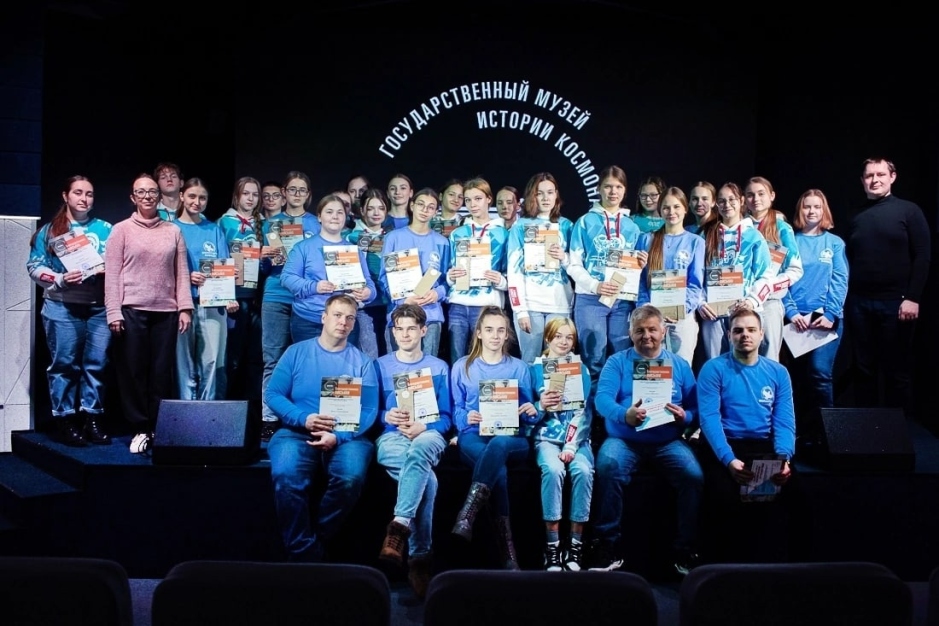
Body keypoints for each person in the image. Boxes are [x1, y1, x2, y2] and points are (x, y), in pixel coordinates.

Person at [265, 294, 379, 562]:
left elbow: (369, 409)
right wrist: (303, 418)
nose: (343, 322)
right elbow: (273, 394)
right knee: (286, 477)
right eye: (337, 315)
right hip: (297, 432)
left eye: (349, 318)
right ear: (324, 317)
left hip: (347, 435)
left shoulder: (363, 362)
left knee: (350, 479)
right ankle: (306, 554)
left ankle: (312, 545)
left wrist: (339, 436)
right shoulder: (296, 352)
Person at [591, 305, 702, 576]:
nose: (647, 336)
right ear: (631, 334)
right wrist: (624, 415)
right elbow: (602, 399)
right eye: (640, 330)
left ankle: (685, 548)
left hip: (667, 441)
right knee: (607, 466)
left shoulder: (679, 365)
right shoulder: (617, 362)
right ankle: (607, 544)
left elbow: (696, 406)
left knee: (693, 476)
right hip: (624, 439)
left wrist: (685, 417)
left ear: (663, 331)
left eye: (652, 329)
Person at [697, 307, 795, 562]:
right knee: (723, 499)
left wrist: (783, 459)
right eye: (738, 330)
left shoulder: (778, 372)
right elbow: (709, 419)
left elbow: (784, 422)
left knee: (793, 501)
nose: (745, 335)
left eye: (751, 330)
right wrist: (729, 460)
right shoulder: (713, 369)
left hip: (764, 446)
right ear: (729, 335)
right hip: (724, 447)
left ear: (762, 334)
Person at [105, 174, 193, 453]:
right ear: (133, 197)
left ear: (159, 196)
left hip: (166, 312)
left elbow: (181, 272)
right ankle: (140, 427)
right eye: (141, 192)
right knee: (133, 372)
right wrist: (113, 312)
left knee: (161, 373)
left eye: (152, 192)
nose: (147, 196)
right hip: (131, 310)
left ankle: (158, 427)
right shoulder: (121, 230)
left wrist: (185, 308)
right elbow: (112, 275)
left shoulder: (173, 231)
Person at [27, 175, 112, 446]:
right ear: (66, 196)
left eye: (89, 194)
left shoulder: (106, 229)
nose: (84, 199)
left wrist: (109, 270)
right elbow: (34, 267)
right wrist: (60, 278)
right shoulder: (50, 230)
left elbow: (121, 263)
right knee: (64, 365)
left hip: (98, 308)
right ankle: (64, 419)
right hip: (61, 306)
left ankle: (92, 417)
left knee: (96, 364)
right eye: (78, 193)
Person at [451, 306, 538, 570]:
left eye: (501, 330)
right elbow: (456, 410)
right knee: (497, 469)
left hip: (511, 438)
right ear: (478, 333)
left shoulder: (519, 368)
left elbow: (530, 414)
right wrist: (466, 417)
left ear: (508, 334)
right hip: (474, 435)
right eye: (489, 330)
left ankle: (468, 513)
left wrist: (531, 411)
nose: (495, 336)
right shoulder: (462, 366)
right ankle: (507, 550)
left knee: (499, 445)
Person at [375, 304, 452, 598]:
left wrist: (425, 425)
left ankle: (399, 526)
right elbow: (369, 412)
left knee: (421, 448)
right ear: (393, 332)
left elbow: (447, 418)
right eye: (399, 329)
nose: (405, 334)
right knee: (427, 480)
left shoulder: (439, 367)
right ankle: (420, 560)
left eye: (411, 329)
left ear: (423, 331)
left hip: (428, 434)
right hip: (392, 437)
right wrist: (386, 416)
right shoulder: (379, 366)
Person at [846, 158, 931, 418]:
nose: (875, 180)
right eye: (869, 176)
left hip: (897, 303)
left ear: (892, 177)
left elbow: (923, 255)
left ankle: (899, 433)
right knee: (863, 370)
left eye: (881, 174)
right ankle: (867, 430)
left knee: (897, 371)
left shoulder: (909, 211)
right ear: (862, 181)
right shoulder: (855, 215)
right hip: (859, 304)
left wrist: (913, 297)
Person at [568, 165, 646, 390]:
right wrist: (596, 285)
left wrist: (641, 263)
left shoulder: (632, 227)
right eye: (608, 186)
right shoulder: (584, 222)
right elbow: (573, 265)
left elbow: (634, 269)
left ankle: (618, 407)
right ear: (598, 189)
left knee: (621, 356)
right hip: (590, 299)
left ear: (625, 190)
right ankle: (593, 410)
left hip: (622, 301)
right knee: (593, 358)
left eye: (618, 187)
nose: (613, 192)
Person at [258, 171, 320, 441]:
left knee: (306, 360)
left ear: (308, 194)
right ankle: (269, 418)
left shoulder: (316, 223)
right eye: (292, 189)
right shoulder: (270, 224)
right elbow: (264, 269)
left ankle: (304, 415)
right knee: (272, 358)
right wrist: (264, 257)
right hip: (276, 296)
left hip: (306, 300)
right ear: (284, 193)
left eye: (301, 190)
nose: (297, 194)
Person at [783, 189, 849, 439]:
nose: (812, 211)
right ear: (800, 210)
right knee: (797, 379)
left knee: (820, 373)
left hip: (825, 320)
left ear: (824, 211)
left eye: (817, 207)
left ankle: (828, 435)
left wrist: (831, 314)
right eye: (807, 206)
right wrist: (791, 311)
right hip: (796, 321)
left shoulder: (834, 243)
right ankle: (800, 434)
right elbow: (781, 279)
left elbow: (840, 280)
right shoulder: (790, 241)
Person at [529, 318, 592, 571]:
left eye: (569, 337)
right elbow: (526, 413)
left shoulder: (581, 370)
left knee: (583, 471)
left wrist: (571, 446)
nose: (564, 342)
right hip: (546, 437)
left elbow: (583, 413)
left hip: (576, 440)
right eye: (558, 336)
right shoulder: (533, 369)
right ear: (548, 338)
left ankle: (575, 545)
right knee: (554, 470)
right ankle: (552, 546)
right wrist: (540, 406)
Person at [281, 194, 376, 344]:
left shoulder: (353, 250)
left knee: (344, 360)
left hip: (344, 322)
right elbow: (286, 278)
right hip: (309, 321)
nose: (335, 216)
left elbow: (369, 283)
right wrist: (315, 286)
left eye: (340, 212)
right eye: (329, 212)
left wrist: (367, 293)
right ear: (319, 217)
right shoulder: (303, 247)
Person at [173, 178, 237, 401]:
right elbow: (164, 268)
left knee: (212, 361)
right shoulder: (171, 228)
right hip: (183, 304)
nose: (197, 202)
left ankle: (207, 411)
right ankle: (185, 409)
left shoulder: (214, 230)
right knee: (184, 363)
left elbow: (224, 265)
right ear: (182, 196)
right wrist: (186, 276)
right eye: (192, 196)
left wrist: (229, 296)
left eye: (202, 198)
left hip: (212, 304)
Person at [697, 182, 772, 359]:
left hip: (743, 310)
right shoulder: (707, 235)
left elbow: (766, 275)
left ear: (742, 201)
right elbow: (696, 274)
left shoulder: (754, 236)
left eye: (732, 199)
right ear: (716, 204)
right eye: (722, 201)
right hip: (713, 312)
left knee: (744, 361)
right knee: (715, 362)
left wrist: (752, 301)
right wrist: (701, 302)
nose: (727, 204)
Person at [506, 172, 574, 364]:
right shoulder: (520, 226)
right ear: (532, 196)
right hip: (530, 305)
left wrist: (564, 257)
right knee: (530, 361)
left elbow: (578, 266)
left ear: (556, 195)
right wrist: (520, 310)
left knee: (558, 362)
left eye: (550, 192)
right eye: (539, 193)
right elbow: (514, 271)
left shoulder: (567, 226)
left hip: (559, 304)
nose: (545, 198)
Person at [637, 187, 706, 364]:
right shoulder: (646, 239)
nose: (671, 212)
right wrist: (646, 308)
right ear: (660, 210)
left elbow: (695, 284)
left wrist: (680, 310)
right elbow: (640, 282)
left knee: (680, 369)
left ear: (685, 209)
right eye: (666, 207)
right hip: (651, 318)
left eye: (676, 207)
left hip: (681, 318)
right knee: (652, 370)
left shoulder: (696, 242)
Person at [378, 188, 450, 357]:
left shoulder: (442, 242)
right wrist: (403, 300)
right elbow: (383, 277)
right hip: (399, 313)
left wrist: (437, 293)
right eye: (421, 205)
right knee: (398, 366)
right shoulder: (393, 238)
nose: (425, 210)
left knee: (427, 367)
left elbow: (448, 279)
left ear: (436, 211)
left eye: (431, 207)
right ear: (412, 205)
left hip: (430, 315)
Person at [446, 178, 509, 363]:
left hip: (487, 306)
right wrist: (450, 277)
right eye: (468, 200)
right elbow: (449, 270)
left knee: (485, 360)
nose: (472, 204)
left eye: (478, 199)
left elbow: (511, 273)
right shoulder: (457, 233)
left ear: (489, 199)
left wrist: (501, 280)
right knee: (457, 360)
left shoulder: (503, 234)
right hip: (458, 304)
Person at [744, 176, 804, 362]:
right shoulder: (739, 227)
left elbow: (795, 270)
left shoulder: (782, 227)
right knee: (741, 355)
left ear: (772, 196)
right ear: (744, 199)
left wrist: (769, 286)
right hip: (743, 301)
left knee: (769, 356)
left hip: (769, 302)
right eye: (750, 195)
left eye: (761, 194)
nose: (756, 199)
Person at [345, 188, 394, 358]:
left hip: (389, 303)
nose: (376, 213)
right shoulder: (350, 237)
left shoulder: (393, 237)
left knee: (391, 354)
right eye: (371, 208)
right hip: (364, 305)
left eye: (381, 208)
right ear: (362, 210)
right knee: (369, 354)